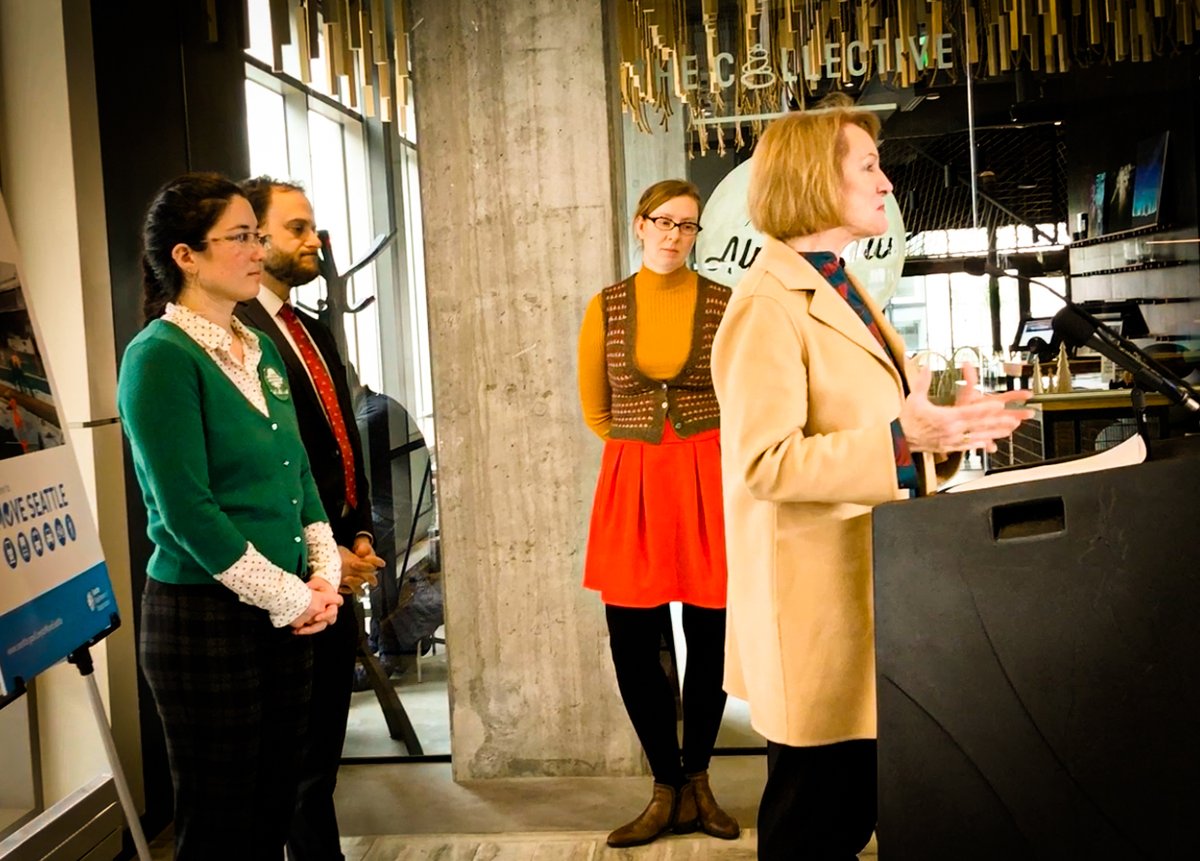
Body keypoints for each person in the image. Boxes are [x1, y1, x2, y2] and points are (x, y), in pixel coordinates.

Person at [710, 98, 1035, 860]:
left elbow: (884, 427)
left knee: (848, 815)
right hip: (816, 614)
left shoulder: (839, 281)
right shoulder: (766, 306)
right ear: (815, 181)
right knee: (814, 827)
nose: (887, 182)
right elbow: (766, 463)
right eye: (868, 166)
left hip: (869, 596)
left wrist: (945, 428)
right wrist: (901, 438)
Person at [118, 172, 344, 860]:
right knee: (220, 827)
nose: (257, 250)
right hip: (203, 620)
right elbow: (189, 511)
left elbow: (296, 469)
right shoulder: (159, 356)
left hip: (286, 615)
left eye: (256, 234)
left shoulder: (258, 345)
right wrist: (291, 595)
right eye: (240, 236)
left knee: (275, 806)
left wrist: (324, 572)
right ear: (185, 255)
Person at [578, 179, 739, 847]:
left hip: (712, 479)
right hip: (636, 478)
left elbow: (744, 388)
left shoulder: (726, 304)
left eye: (688, 225)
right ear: (640, 225)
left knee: (712, 639)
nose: (674, 234)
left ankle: (700, 778)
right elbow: (595, 408)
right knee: (636, 643)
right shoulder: (607, 305)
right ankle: (665, 784)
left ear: (697, 233)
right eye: (663, 221)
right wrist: (644, 450)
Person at [235, 176, 384, 861]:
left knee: (322, 756)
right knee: (294, 770)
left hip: (335, 564)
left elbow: (340, 442)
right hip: (288, 580)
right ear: (255, 239)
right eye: (296, 228)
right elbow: (268, 472)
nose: (313, 240)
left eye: (312, 227)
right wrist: (320, 560)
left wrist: (359, 532)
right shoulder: (242, 337)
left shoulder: (312, 329)